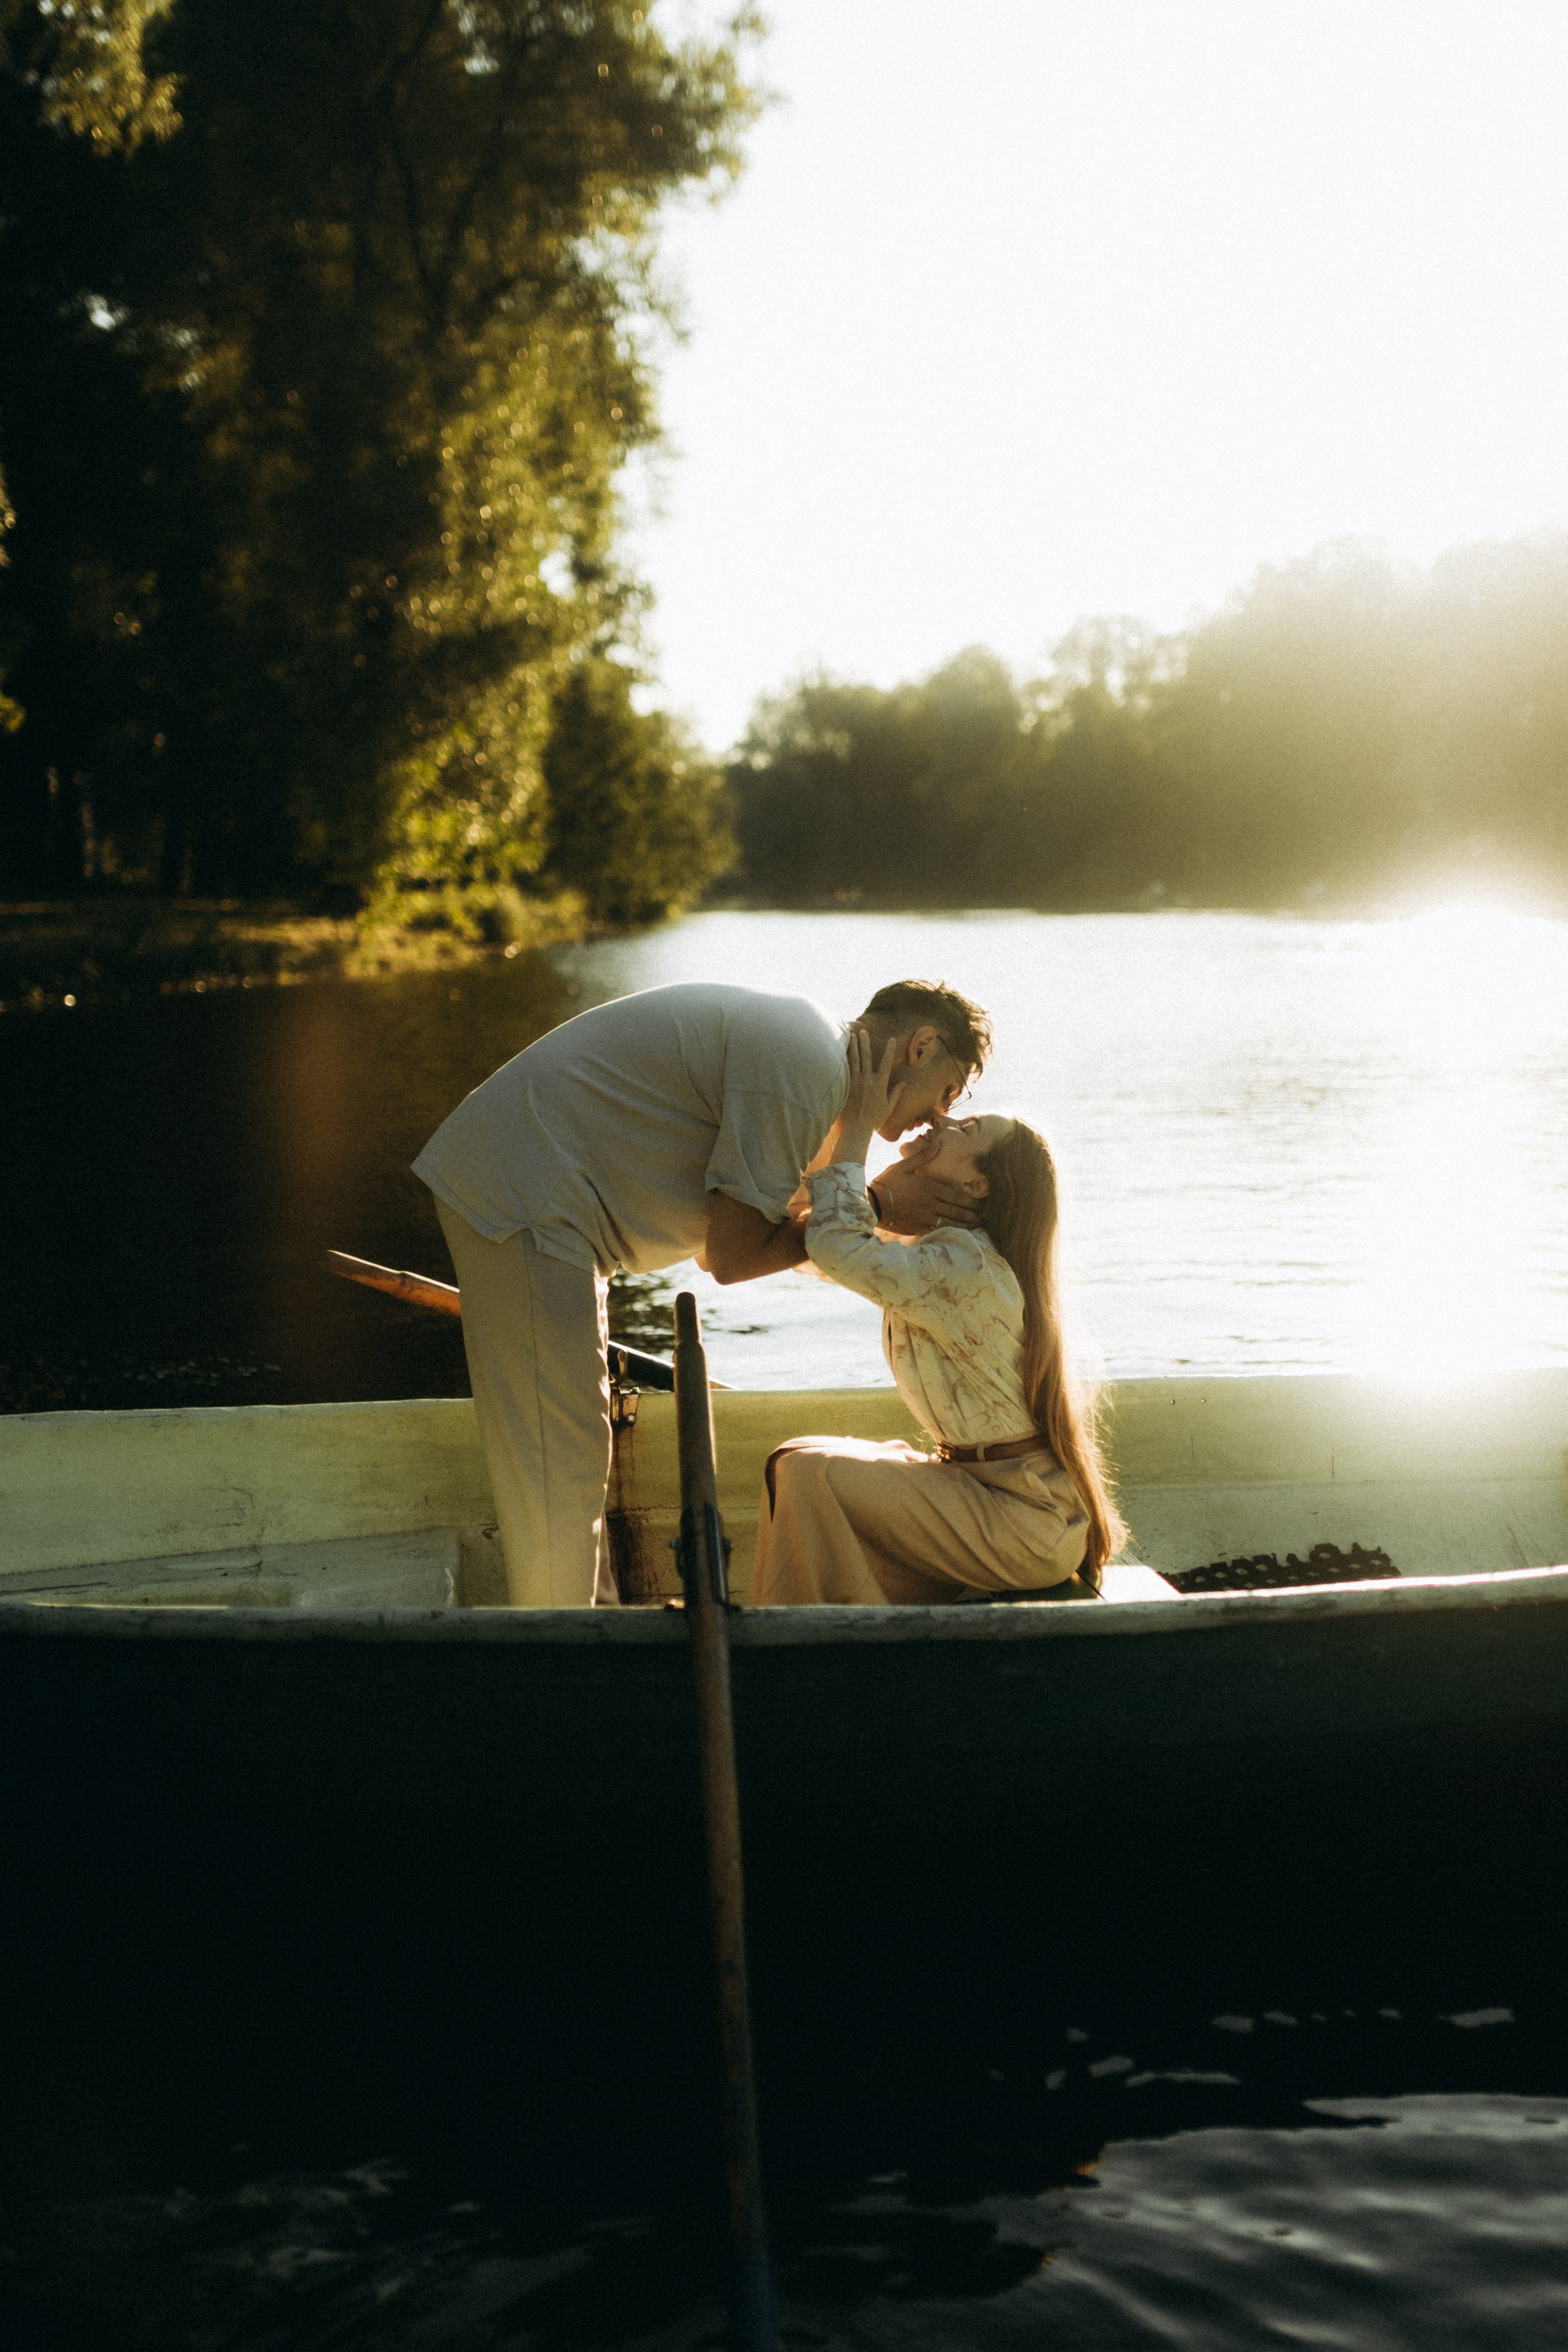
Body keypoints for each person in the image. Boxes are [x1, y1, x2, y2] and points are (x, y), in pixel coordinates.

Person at [413, 979, 993, 1607]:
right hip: (525, 1190)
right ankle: (563, 1656)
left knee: (574, 1438)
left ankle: (596, 1623)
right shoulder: (804, 1066)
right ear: (921, 1045)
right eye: (948, 1091)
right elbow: (731, 1256)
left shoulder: (820, 1076)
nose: (938, 1116)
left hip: (549, 1203)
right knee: (561, 1451)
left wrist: (892, 1227)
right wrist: (881, 1203)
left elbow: (791, 1235)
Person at [752, 1027, 1126, 1605]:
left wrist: (859, 1125)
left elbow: (834, 1242)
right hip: (976, 1490)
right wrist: (873, 1172)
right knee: (795, 1459)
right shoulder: (938, 1248)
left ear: (979, 1183)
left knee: (809, 1476)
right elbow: (813, 1238)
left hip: (1019, 1520)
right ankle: (811, 1634)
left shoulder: (964, 1265)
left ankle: (807, 1652)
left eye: (966, 1129)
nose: (944, 1120)